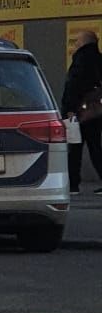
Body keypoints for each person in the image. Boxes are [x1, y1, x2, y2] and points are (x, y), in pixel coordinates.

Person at [62, 30, 102, 195]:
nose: (75, 43)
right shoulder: (99, 59)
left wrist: (69, 108)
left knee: (75, 148)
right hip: (96, 111)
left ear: (85, 42)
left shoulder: (81, 59)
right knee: (95, 147)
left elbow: (74, 85)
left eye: (77, 41)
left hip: (79, 111)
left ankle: (73, 185)